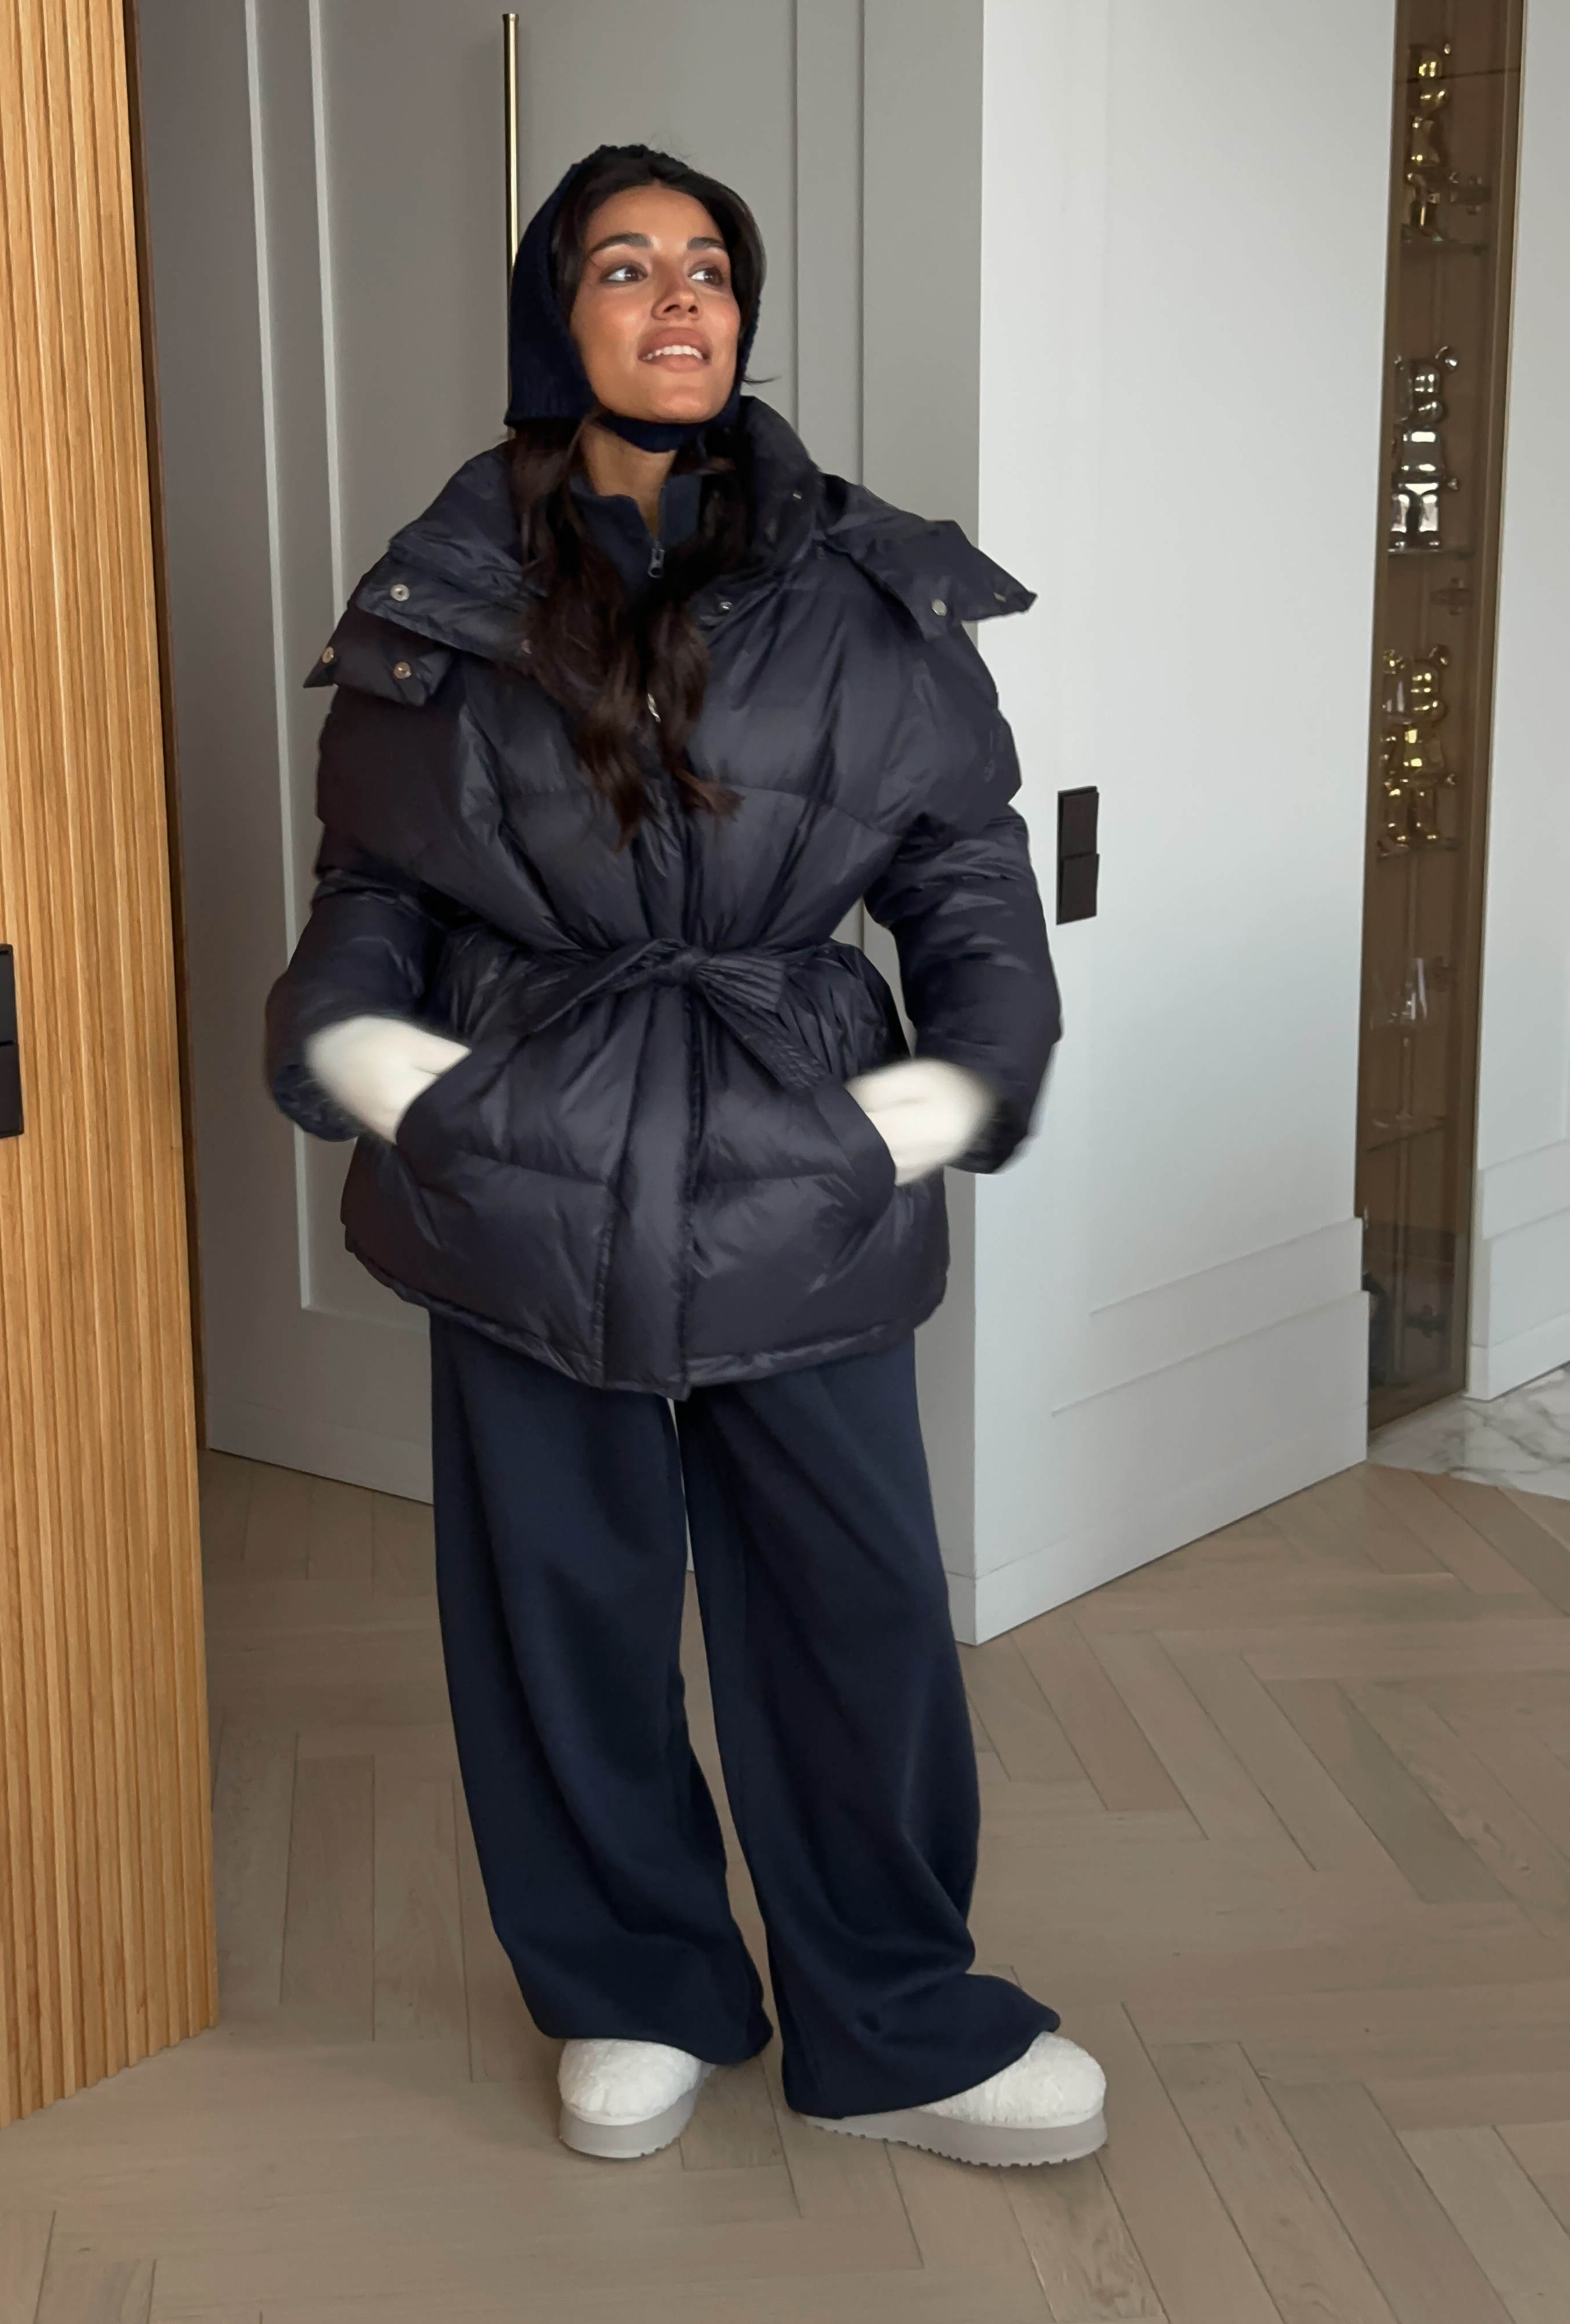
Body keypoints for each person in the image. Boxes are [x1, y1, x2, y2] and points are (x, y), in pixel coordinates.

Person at [265, 145, 1105, 2170]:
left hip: (798, 1156)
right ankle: (634, 1983)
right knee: (557, 1611)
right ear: (552, 317)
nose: (679, 301)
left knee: (855, 1610)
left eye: (709, 267)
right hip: (519, 1166)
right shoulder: (441, 592)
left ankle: (896, 2017)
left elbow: (965, 872)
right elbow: (376, 884)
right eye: (626, 267)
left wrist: (950, 1086)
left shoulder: (870, 587)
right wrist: (375, 1058)